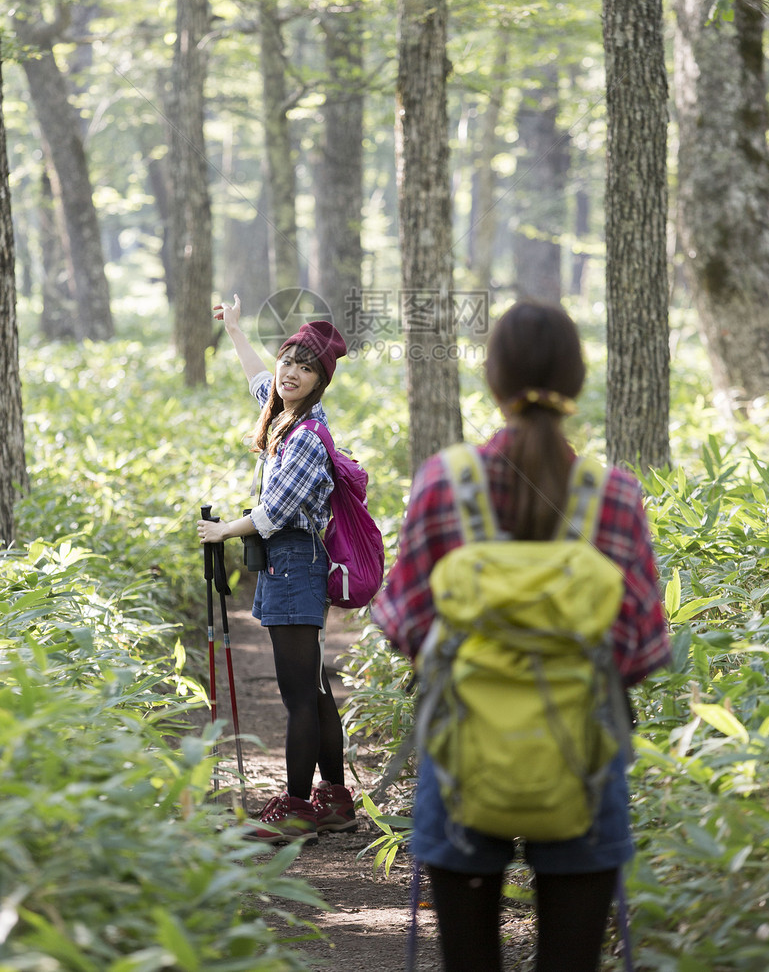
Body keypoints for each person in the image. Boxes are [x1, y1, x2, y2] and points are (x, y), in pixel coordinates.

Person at [372, 301, 670, 972]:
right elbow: (642, 648)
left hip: (460, 759)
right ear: (579, 378)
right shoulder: (613, 496)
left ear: (493, 378)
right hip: (584, 762)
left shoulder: (445, 484)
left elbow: (405, 625)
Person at [197, 295, 356, 843]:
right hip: (287, 565)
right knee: (313, 689)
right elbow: (259, 382)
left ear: (320, 380)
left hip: (295, 562)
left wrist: (223, 530)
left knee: (297, 694)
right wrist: (237, 331)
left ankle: (295, 807)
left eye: (306, 367)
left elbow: (276, 511)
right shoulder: (286, 414)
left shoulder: (308, 438)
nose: (290, 372)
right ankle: (334, 800)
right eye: (290, 359)